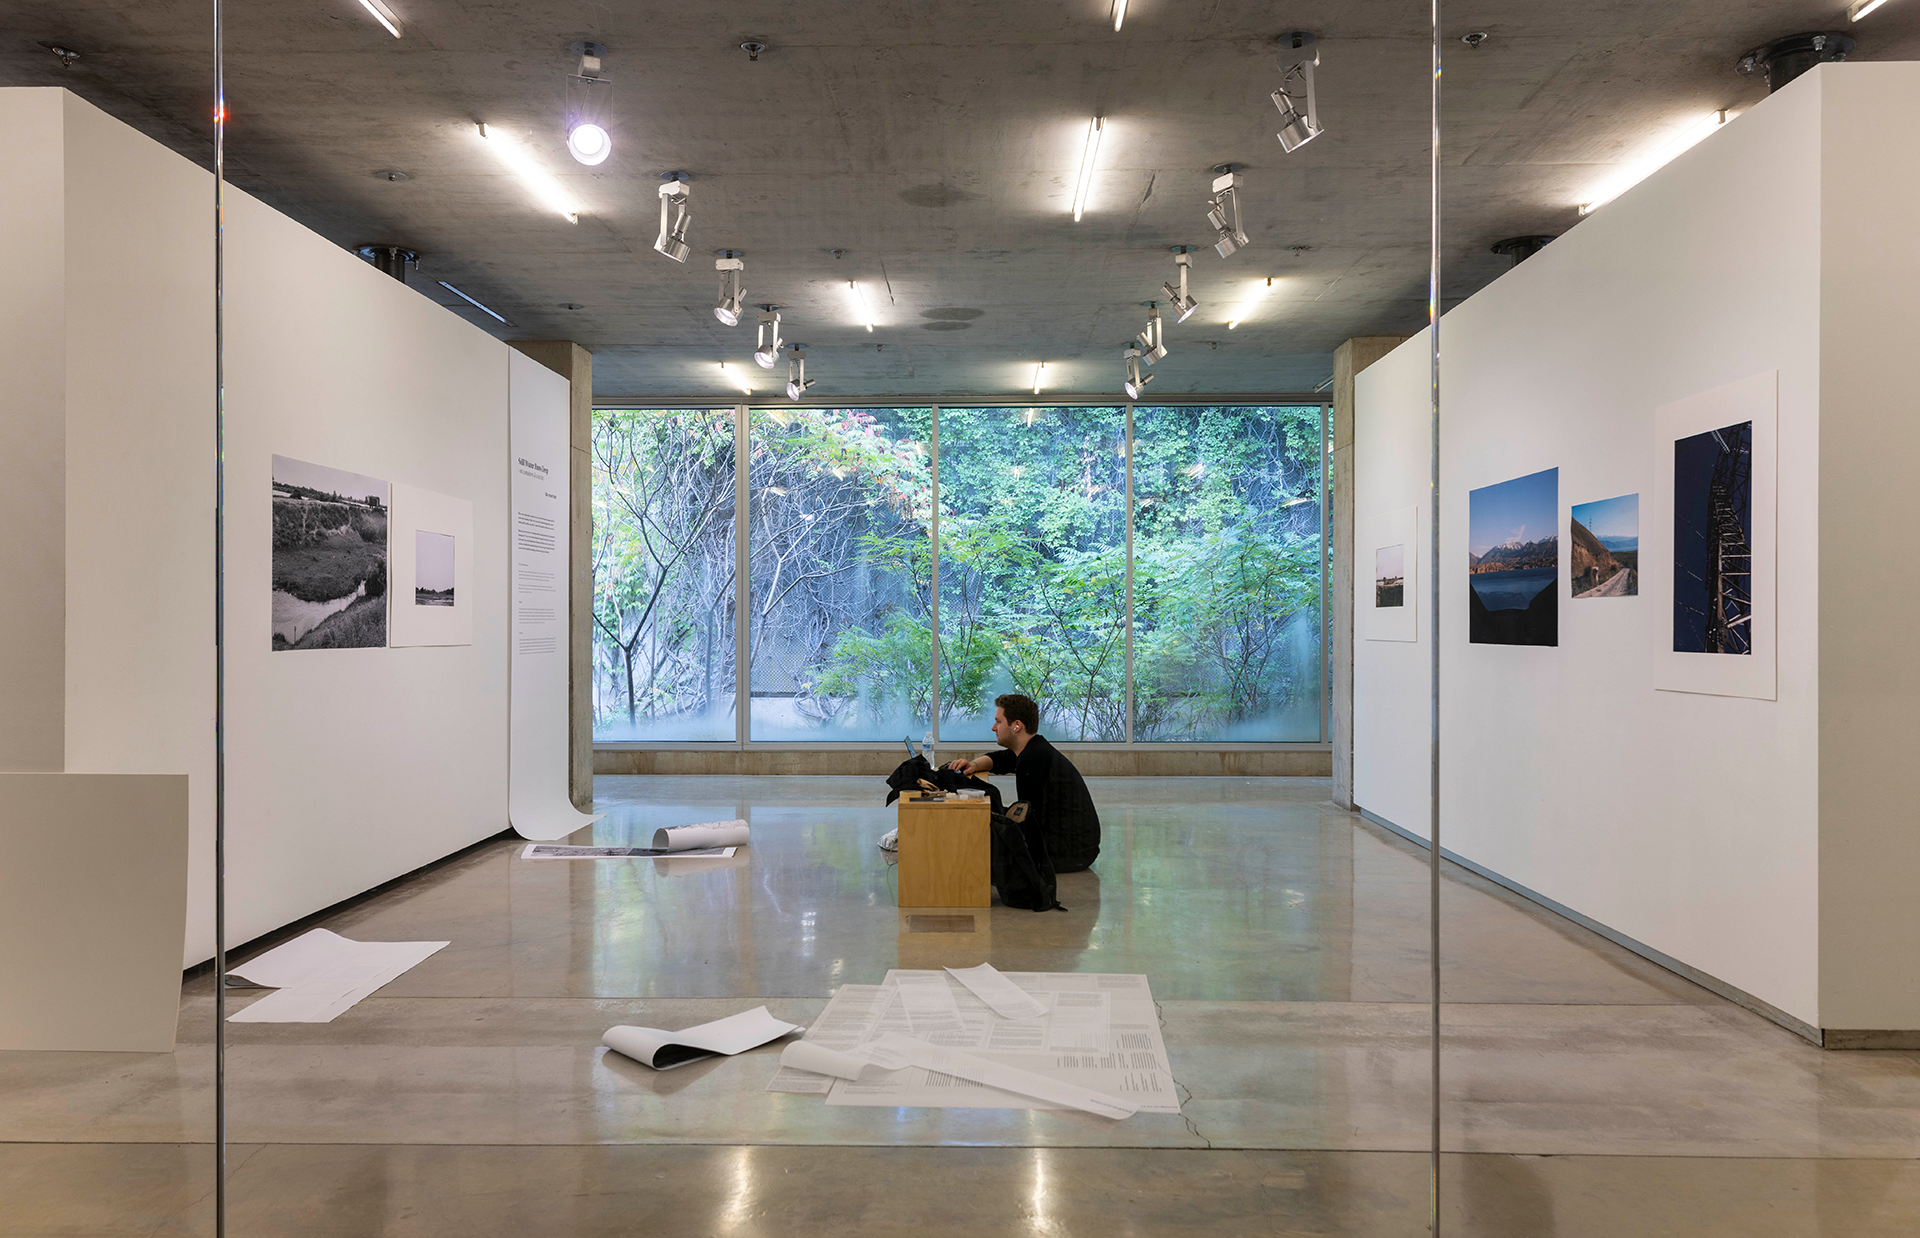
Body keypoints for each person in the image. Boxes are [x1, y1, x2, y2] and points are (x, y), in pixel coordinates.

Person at [947, 693, 1100, 872]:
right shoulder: (1033, 748)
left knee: (982, 844)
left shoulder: (1033, 759)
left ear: (1017, 726)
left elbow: (1027, 821)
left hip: (1072, 852)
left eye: (998, 722)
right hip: (1078, 846)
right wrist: (973, 765)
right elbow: (999, 759)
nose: (993, 728)